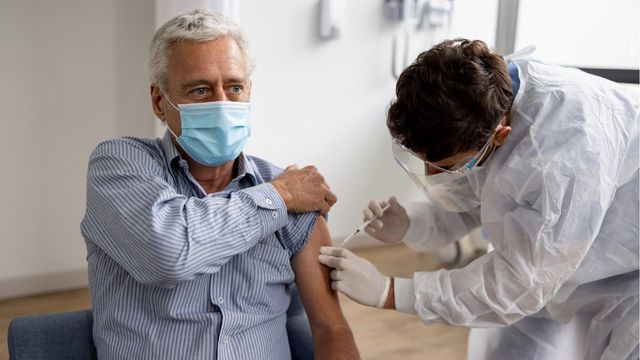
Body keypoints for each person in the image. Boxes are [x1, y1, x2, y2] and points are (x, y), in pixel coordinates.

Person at [319, 39, 639, 359]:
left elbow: (517, 286)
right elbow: (487, 193)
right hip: (558, 257)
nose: (433, 177)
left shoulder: (562, 157)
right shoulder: (482, 92)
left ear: (501, 135)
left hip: (629, 278)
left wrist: (389, 292)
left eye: (446, 167)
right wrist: (412, 224)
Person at [81, 9, 359, 360]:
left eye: (234, 87)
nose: (222, 104)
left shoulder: (291, 193)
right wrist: (281, 196)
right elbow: (168, 255)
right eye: (200, 90)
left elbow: (331, 329)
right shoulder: (120, 164)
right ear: (159, 102)